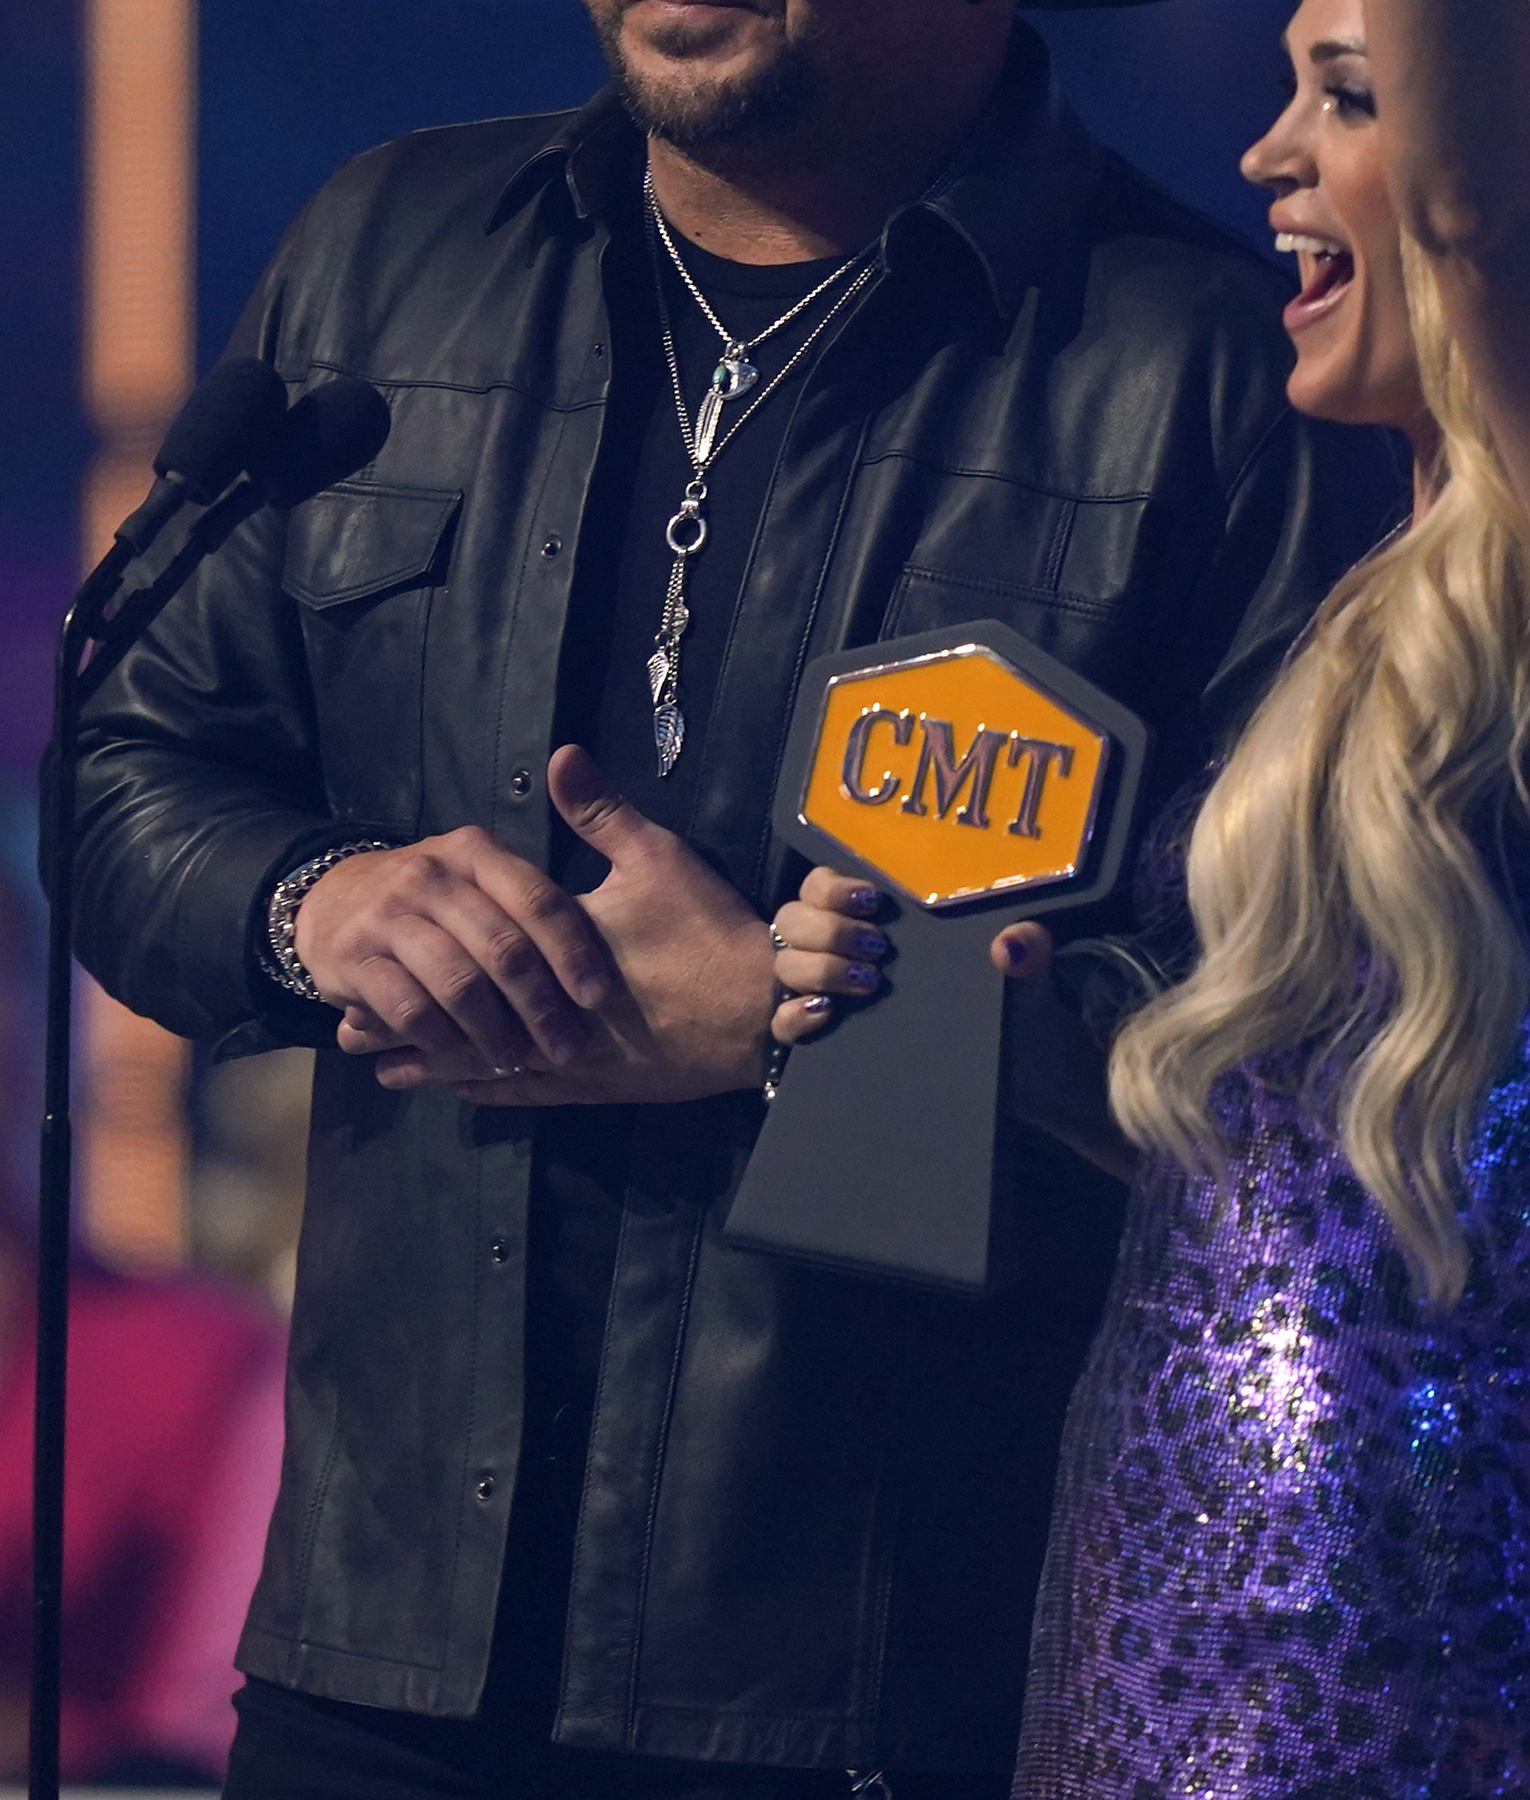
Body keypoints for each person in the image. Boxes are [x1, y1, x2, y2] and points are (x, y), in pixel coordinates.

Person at [69, 1, 1404, 1796]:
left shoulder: (1214, 367)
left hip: (882, 1690)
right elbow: (128, 763)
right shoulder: (391, 253)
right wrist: (315, 902)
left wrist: (808, 1033)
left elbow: (1310, 1054)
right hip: (375, 1649)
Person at [778, 0, 1530, 1790]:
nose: (1266, 153)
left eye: (1349, 97)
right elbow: (1325, 1186)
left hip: (1398, 1691)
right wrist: (1015, 1049)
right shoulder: (1380, 613)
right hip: (1163, 1656)